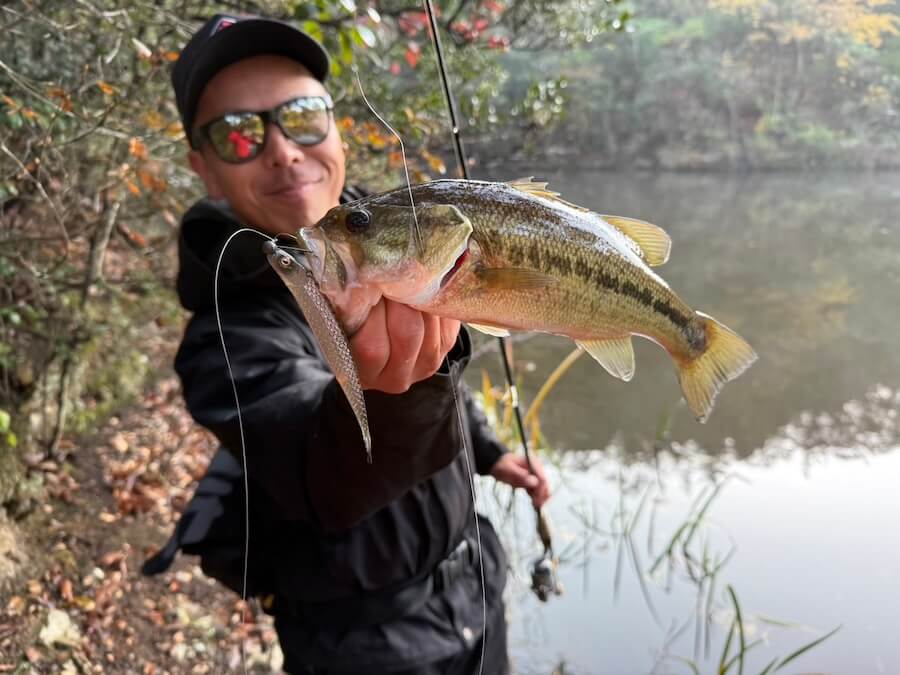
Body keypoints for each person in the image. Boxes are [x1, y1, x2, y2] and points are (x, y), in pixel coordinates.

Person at [141, 12, 552, 675]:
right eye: (239, 134)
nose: (282, 150)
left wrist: (491, 451)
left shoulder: (398, 237)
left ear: (334, 127)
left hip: (474, 587)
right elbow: (323, 471)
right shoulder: (227, 335)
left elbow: (440, 369)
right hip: (356, 649)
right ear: (205, 169)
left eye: (301, 115)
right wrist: (393, 395)